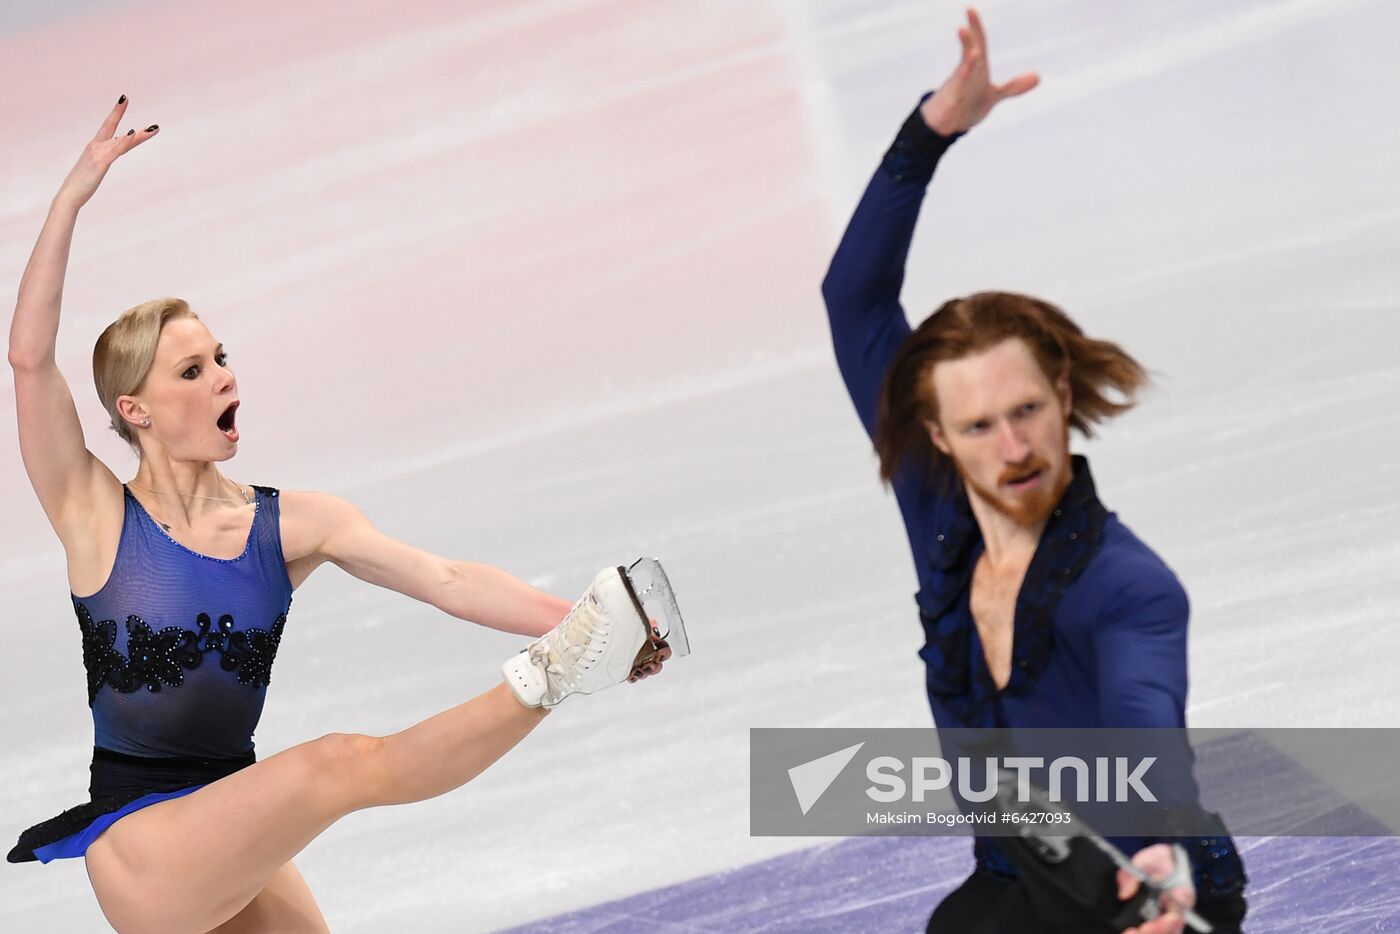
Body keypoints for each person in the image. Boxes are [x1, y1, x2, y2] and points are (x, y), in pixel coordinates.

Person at [6, 96, 679, 933]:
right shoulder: (95, 513)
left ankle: (571, 654)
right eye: (190, 371)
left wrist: (582, 618)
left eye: (220, 358)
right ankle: (555, 674)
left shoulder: (291, 524)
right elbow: (29, 360)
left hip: (238, 817)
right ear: (133, 410)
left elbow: (446, 578)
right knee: (338, 765)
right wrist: (71, 198)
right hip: (145, 848)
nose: (221, 376)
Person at [820, 10, 1246, 934]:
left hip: (1148, 887)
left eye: (1026, 413)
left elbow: (1145, 729)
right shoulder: (941, 510)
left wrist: (1162, 858)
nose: (1013, 449)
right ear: (935, 436)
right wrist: (929, 132)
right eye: (979, 425)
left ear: (1061, 395)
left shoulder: (1126, 587)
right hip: (1021, 887)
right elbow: (851, 298)